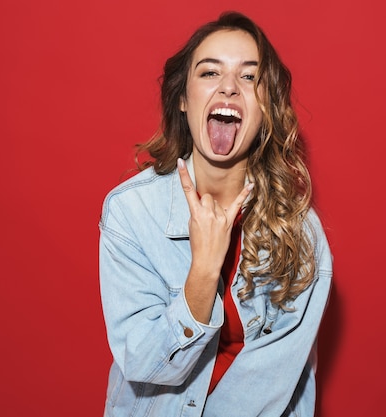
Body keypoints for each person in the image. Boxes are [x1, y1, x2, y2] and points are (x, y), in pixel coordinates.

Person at [99, 11, 332, 416]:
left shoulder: (303, 235)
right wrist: (203, 274)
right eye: (210, 73)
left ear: (267, 109)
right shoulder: (131, 211)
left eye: (249, 77)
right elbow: (141, 359)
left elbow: (270, 385)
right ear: (184, 101)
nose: (228, 87)